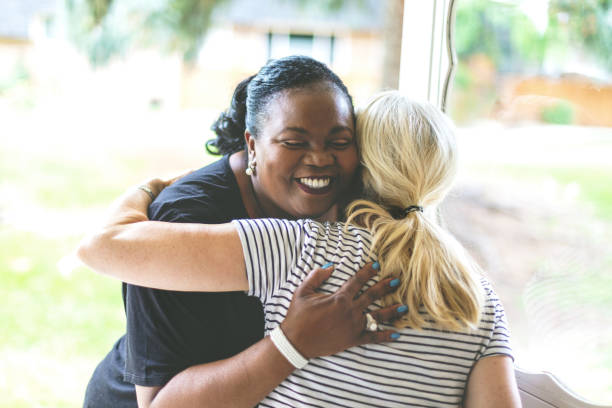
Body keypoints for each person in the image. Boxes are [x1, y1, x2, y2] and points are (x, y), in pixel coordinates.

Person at [79, 92, 522, 407]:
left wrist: (151, 187)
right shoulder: (477, 298)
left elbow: (105, 250)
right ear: (443, 182)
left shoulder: (300, 248)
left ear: (359, 165)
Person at [82, 56, 404, 408]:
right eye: (294, 142)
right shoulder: (184, 218)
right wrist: (292, 344)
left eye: (338, 142)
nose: (320, 159)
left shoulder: (351, 201)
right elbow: (158, 403)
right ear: (251, 145)